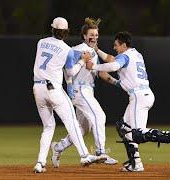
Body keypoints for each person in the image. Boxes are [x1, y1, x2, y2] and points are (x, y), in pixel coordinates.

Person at [86, 31, 170, 172]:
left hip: (139, 96)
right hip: (142, 94)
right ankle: (135, 164)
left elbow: (114, 65)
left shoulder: (125, 56)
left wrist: (94, 66)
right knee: (124, 128)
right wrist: (97, 51)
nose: (114, 48)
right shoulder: (135, 54)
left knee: (136, 134)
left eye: (116, 45)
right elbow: (113, 61)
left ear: (124, 44)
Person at [32, 17, 105, 173]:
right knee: (71, 122)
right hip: (54, 89)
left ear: (52, 29)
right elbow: (71, 72)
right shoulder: (67, 50)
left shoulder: (40, 42)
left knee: (48, 126)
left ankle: (40, 163)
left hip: (37, 88)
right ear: (66, 32)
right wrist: (82, 61)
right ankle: (85, 155)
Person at [50, 17, 118, 167]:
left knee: (83, 128)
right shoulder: (76, 50)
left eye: (96, 35)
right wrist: (69, 87)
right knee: (99, 116)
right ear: (84, 36)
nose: (94, 37)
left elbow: (102, 71)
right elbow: (67, 70)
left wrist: (117, 83)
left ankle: (58, 147)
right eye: (91, 35)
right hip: (79, 90)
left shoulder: (92, 52)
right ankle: (100, 153)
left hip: (87, 90)